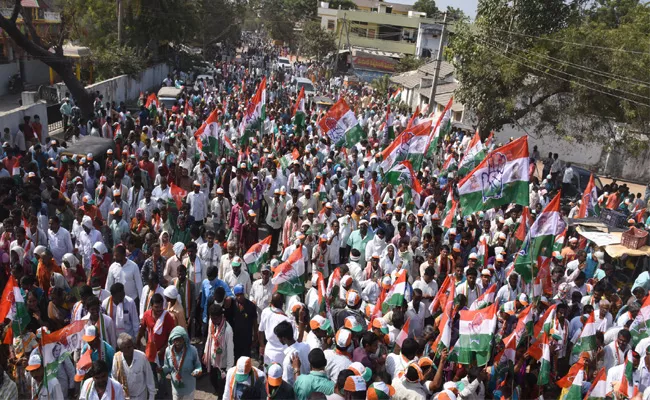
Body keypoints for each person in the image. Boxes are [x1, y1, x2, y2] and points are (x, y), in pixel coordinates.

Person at [112, 333, 156, 400]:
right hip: (124, 397)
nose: (130, 349)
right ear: (121, 349)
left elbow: (149, 378)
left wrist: (151, 397)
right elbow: (114, 379)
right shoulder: (117, 359)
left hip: (141, 396)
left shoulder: (142, 357)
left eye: (130, 346)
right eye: (126, 348)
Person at [162, 326, 202, 400]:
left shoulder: (192, 350)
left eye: (179, 339)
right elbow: (167, 367)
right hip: (176, 389)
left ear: (184, 339)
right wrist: (161, 370)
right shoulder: (168, 351)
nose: (177, 342)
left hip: (189, 389)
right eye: (175, 340)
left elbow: (198, 366)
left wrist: (197, 371)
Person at [204, 303, 234, 398]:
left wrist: (228, 370)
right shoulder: (211, 323)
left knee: (222, 389)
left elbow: (230, 350)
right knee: (212, 380)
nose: (213, 321)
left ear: (222, 316)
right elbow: (209, 338)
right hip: (213, 361)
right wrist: (205, 353)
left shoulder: (228, 330)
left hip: (223, 364)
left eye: (216, 318)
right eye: (212, 318)